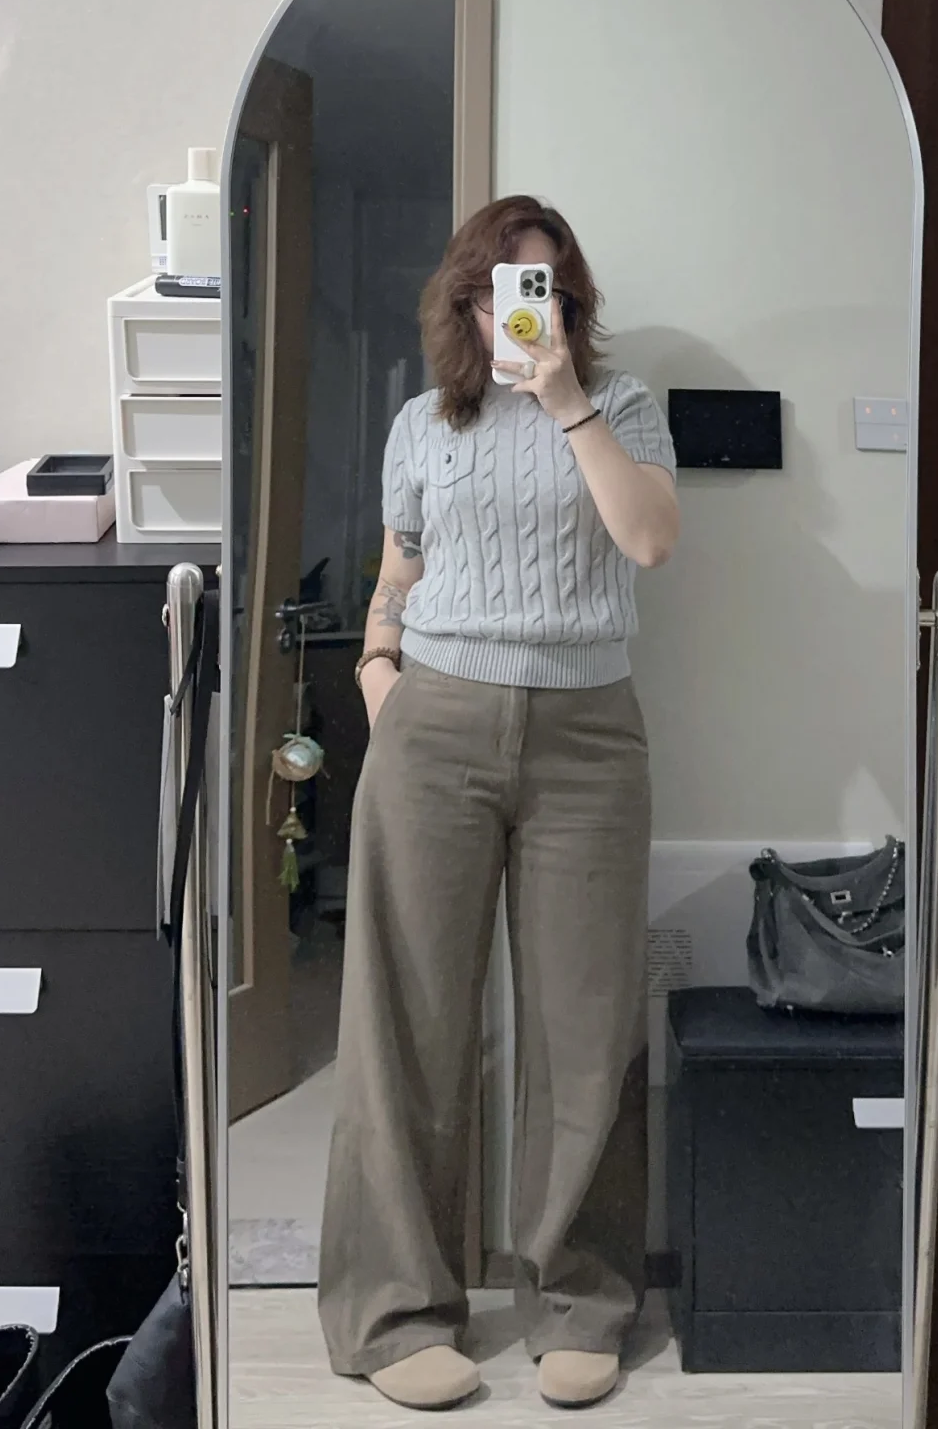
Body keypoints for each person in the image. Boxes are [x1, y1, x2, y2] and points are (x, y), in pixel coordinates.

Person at [318, 195, 679, 1412]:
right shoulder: (424, 423)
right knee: (407, 1022)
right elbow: (399, 567)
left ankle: (582, 1300)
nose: (526, 308)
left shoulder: (624, 406)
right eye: (503, 288)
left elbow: (651, 542)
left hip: (588, 736)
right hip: (436, 723)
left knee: (587, 1023)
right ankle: (393, 1310)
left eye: (548, 287)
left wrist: (568, 402)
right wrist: (378, 668)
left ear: (571, 300)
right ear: (465, 302)